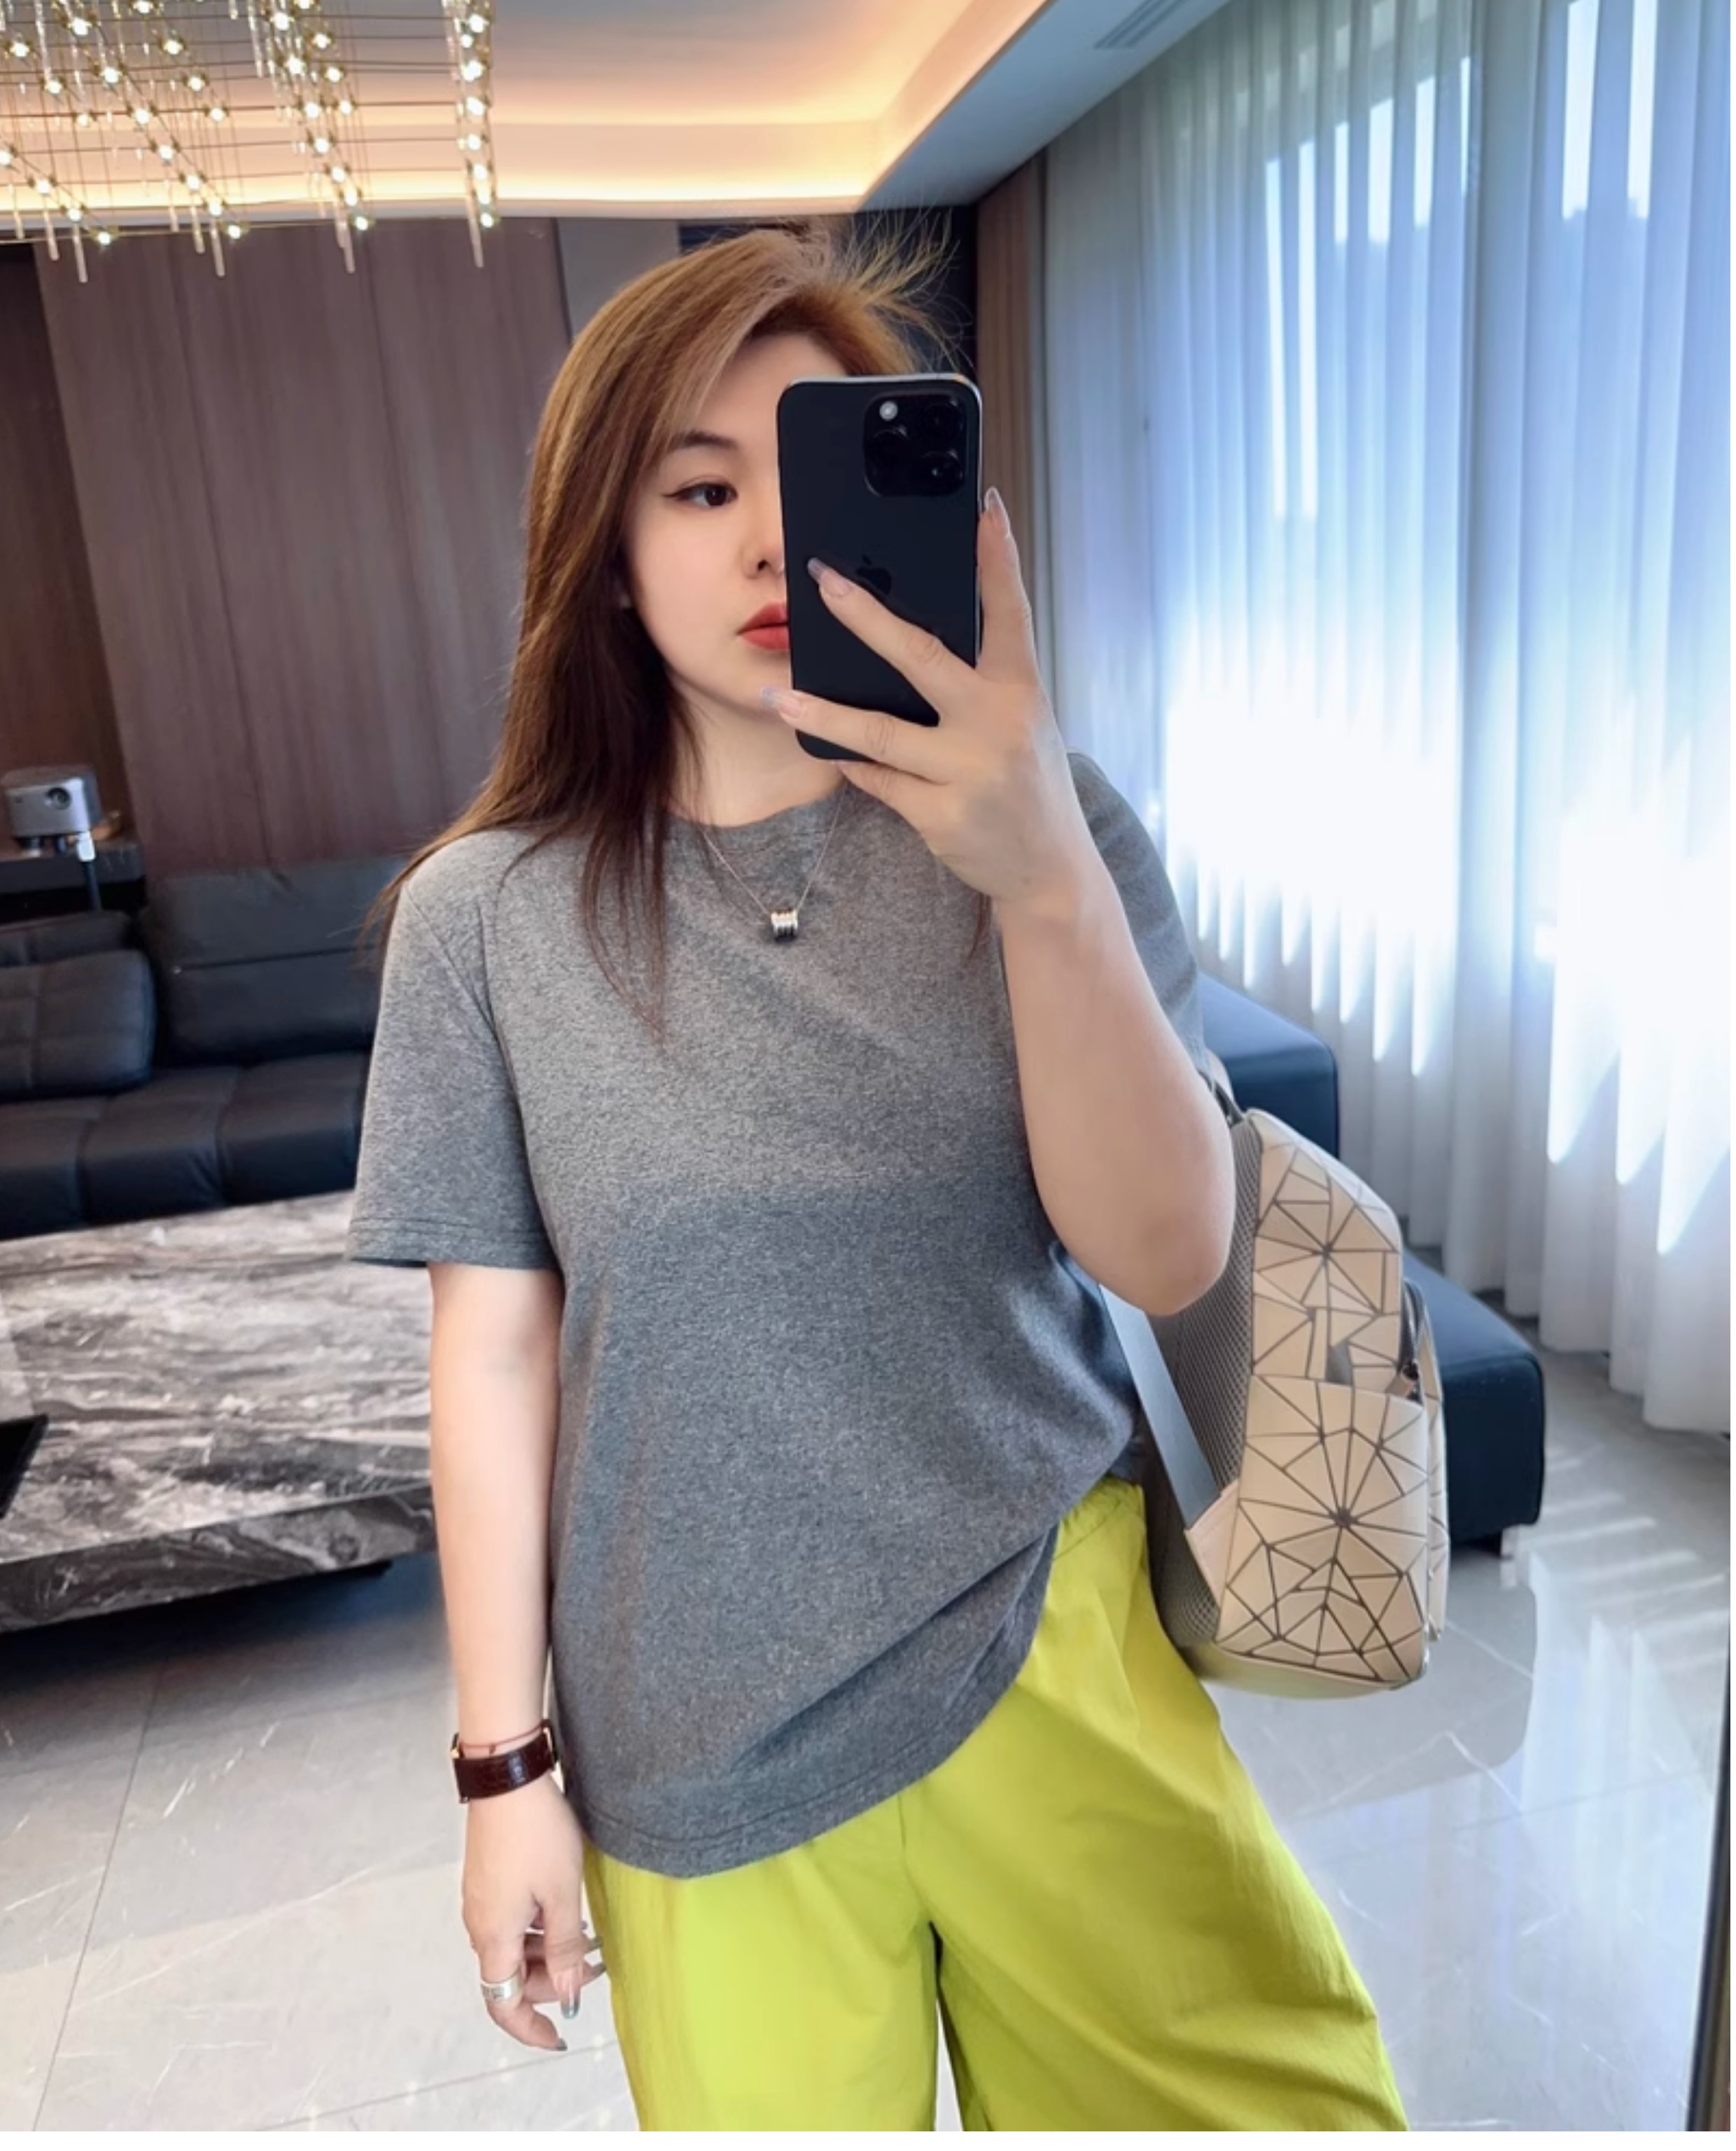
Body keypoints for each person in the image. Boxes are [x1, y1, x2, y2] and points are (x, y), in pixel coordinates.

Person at [345, 221, 1408, 2131]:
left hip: (1049, 1636)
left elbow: (1166, 1246)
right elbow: (493, 1356)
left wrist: (1038, 870)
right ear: (605, 547)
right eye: (700, 488)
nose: (772, 545)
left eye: (817, 478)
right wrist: (504, 1773)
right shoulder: (483, 922)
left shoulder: (1053, 824)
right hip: (700, 1736)